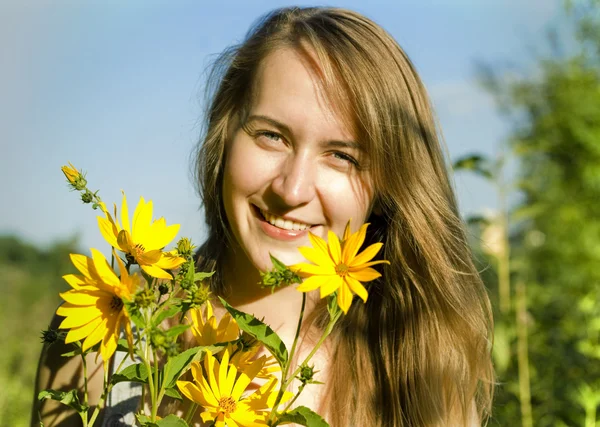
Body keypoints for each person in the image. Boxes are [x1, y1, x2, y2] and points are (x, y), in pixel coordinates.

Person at [33, 6, 494, 427]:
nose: (291, 189)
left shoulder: (421, 366)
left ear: (392, 184)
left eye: (342, 157)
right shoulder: (105, 334)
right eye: (272, 136)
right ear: (224, 134)